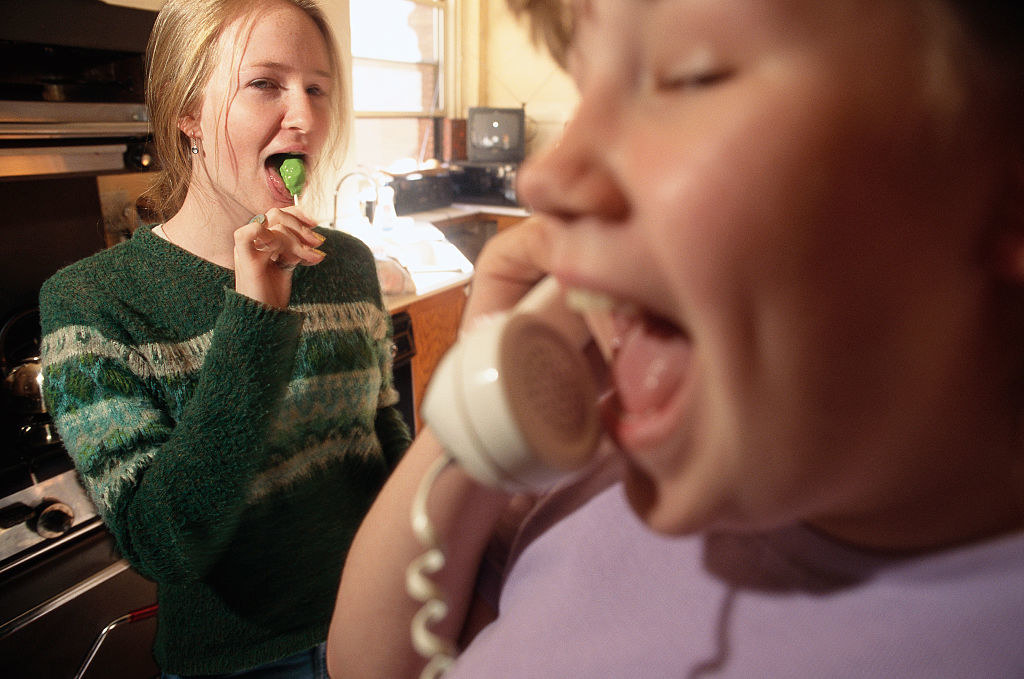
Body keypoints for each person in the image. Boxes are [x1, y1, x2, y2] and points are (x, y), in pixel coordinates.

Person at [326, 0, 1024, 677]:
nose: (545, 179)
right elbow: (373, 664)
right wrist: (487, 406)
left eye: (688, 75)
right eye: (580, 89)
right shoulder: (602, 467)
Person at [39, 0, 410, 676]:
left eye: (318, 88)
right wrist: (255, 317)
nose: (304, 116)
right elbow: (164, 544)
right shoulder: (91, 301)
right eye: (265, 83)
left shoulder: (346, 265)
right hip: (238, 661)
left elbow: (385, 442)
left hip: (381, 622)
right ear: (189, 113)